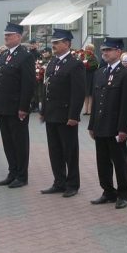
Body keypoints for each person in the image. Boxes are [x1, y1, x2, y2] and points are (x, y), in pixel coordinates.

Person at [88, 38, 127, 209]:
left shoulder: (126, 74)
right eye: (103, 50)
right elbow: (96, 101)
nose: (105, 53)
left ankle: (123, 194)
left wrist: (123, 128)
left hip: (115, 126)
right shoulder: (99, 73)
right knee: (102, 161)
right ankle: (108, 191)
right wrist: (91, 124)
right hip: (100, 125)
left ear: (118, 52)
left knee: (119, 162)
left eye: (109, 50)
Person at [39, 29, 86, 198]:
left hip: (66, 115)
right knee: (55, 150)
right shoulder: (52, 62)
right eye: (53, 42)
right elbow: (46, 88)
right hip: (51, 114)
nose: (53, 45)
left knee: (69, 151)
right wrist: (43, 110)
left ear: (67, 44)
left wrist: (73, 115)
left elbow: (78, 92)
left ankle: (72, 184)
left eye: (57, 42)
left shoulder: (75, 64)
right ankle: (59, 182)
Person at [0, 23, 37, 188]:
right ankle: (12, 172)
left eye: (10, 35)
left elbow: (28, 84)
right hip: (3, 107)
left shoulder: (26, 56)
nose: (6, 38)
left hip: (16, 108)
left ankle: (21, 175)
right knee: (8, 143)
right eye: (5, 35)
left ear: (19, 37)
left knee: (19, 143)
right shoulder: (3, 56)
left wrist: (24, 107)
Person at [83, 43, 98, 115]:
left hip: (92, 76)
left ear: (93, 50)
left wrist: (87, 67)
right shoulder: (84, 56)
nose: (88, 50)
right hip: (85, 76)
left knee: (90, 93)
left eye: (90, 49)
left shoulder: (94, 57)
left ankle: (90, 109)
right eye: (87, 49)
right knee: (86, 93)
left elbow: (95, 66)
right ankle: (85, 109)